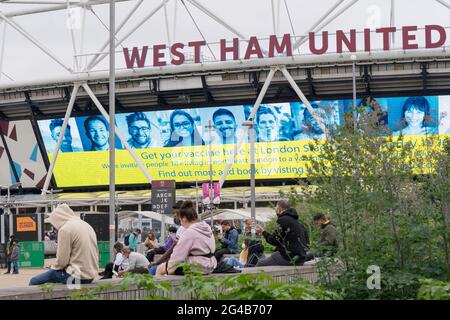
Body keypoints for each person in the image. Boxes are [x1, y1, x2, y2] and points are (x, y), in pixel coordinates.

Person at [29, 204, 98, 285]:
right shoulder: (86, 225)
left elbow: (62, 262)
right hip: (90, 275)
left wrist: (53, 267)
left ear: (57, 219)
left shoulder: (65, 229)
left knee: (34, 281)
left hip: (75, 276)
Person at [155, 201, 217, 276]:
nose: (180, 222)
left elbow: (177, 257)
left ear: (184, 218)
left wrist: (168, 268)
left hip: (197, 266)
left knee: (160, 269)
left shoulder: (189, 233)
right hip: (210, 264)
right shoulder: (206, 228)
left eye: (180, 219)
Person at [255, 200, 309, 266]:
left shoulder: (283, 220)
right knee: (274, 255)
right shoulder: (297, 221)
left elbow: (274, 240)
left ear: (279, 209)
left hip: (289, 258)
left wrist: (263, 232)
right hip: (301, 258)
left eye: (276, 208)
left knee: (260, 263)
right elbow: (307, 241)